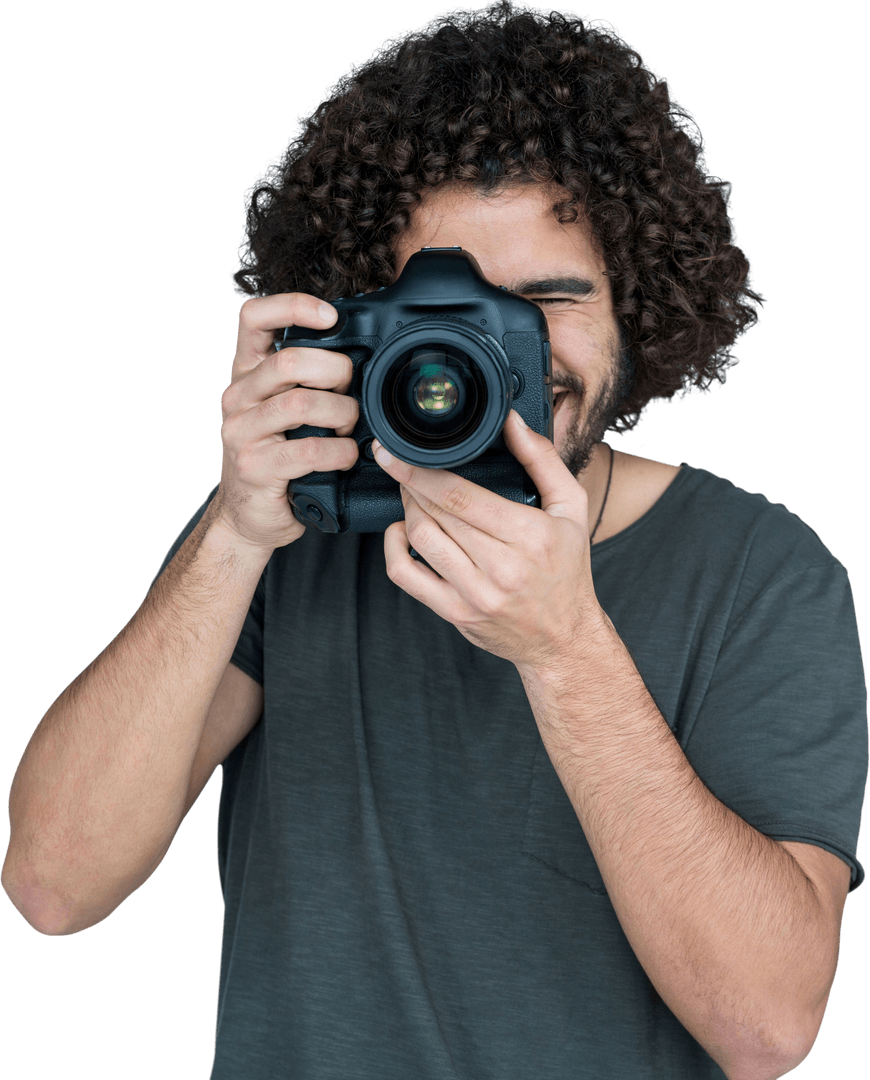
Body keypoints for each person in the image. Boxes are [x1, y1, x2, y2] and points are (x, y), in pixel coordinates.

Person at [3, 2, 866, 1078]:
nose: (500, 358)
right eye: (451, 315)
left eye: (548, 302)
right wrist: (232, 530)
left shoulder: (761, 571)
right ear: (358, 317)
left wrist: (564, 649)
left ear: (637, 303)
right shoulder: (297, 520)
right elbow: (54, 885)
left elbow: (768, 1030)